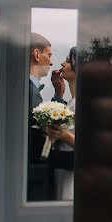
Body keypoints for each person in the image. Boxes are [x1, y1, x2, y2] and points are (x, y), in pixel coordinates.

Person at [27, 31, 68, 201]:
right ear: (37, 54)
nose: (52, 62)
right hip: (32, 178)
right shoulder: (28, 91)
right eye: (49, 55)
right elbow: (47, 132)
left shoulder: (30, 90)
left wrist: (58, 92)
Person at [48, 46, 79, 200]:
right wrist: (58, 92)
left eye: (67, 61)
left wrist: (64, 135)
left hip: (74, 184)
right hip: (62, 178)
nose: (62, 63)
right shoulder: (71, 103)